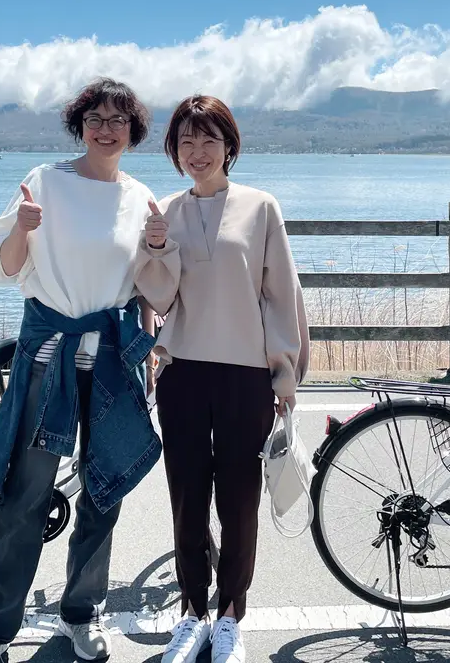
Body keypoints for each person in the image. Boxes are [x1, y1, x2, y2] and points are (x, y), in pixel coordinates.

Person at [0, 78, 163, 663]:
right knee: (26, 495)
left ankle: (82, 611)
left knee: (104, 490)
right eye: (95, 118)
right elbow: (4, 268)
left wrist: (148, 345)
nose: (105, 128)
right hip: (48, 351)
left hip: (109, 359)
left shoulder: (139, 196)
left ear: (133, 130)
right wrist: (22, 227)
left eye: (117, 120)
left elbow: (142, 289)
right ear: (80, 124)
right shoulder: (47, 180)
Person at [136, 95, 309, 663]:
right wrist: (157, 247)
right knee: (187, 496)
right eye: (186, 141)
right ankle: (191, 609)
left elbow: (281, 296)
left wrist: (285, 371)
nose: (198, 151)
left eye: (209, 139)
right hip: (183, 371)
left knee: (239, 499)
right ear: (174, 151)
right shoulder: (166, 211)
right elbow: (158, 298)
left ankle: (231, 610)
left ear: (229, 145)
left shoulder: (260, 208)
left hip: (246, 375)